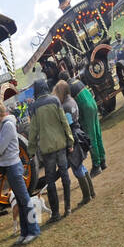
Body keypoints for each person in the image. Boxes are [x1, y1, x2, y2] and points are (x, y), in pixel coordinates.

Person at [0, 101, 40, 243]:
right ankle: (25, 232)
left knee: (24, 199)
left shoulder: (8, 126)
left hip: (12, 165)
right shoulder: (4, 125)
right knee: (20, 200)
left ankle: (34, 229)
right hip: (10, 165)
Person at [28, 77, 74, 222]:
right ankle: (68, 207)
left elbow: (33, 132)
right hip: (60, 145)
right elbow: (64, 122)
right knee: (65, 175)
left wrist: (30, 151)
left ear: (36, 90)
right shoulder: (55, 101)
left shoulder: (34, 107)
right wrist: (70, 141)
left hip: (47, 150)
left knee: (50, 181)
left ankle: (55, 213)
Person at [55, 80, 95, 207]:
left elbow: (67, 125)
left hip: (73, 136)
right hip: (79, 132)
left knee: (77, 167)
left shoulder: (65, 106)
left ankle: (87, 196)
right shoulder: (72, 101)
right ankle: (91, 192)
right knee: (81, 166)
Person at [71, 75, 107, 175]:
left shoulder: (68, 88)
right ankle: (103, 160)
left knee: (91, 138)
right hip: (93, 104)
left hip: (86, 109)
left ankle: (96, 165)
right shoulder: (76, 81)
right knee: (97, 133)